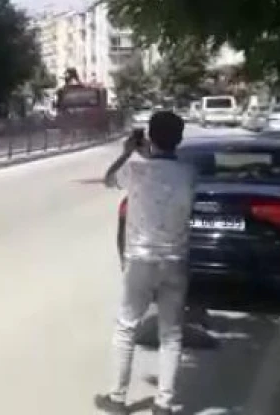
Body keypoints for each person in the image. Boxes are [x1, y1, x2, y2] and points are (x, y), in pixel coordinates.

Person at [95, 110, 195, 415]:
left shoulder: (137, 171)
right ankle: (164, 403)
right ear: (179, 139)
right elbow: (168, 171)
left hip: (140, 258)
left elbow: (108, 179)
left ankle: (118, 397)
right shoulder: (190, 173)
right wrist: (148, 153)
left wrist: (129, 152)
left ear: (150, 137)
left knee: (126, 325)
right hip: (175, 259)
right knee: (171, 332)